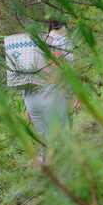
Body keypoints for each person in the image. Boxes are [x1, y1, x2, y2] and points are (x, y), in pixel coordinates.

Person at [22, 19, 79, 162]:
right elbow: (68, 72)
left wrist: (26, 107)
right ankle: (67, 177)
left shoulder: (34, 42)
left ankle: (45, 175)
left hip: (30, 99)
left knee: (45, 145)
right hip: (53, 97)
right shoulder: (63, 42)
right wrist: (77, 95)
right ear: (65, 25)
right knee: (62, 142)